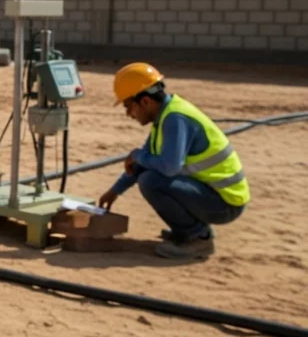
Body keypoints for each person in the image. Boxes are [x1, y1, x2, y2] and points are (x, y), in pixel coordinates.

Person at [97, 63, 250, 259]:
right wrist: (114, 191)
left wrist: (136, 155)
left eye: (128, 106)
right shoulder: (166, 115)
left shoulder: (175, 119)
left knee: (151, 181)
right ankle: (193, 231)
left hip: (225, 205)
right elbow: (144, 160)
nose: (128, 114)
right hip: (214, 195)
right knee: (149, 171)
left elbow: (169, 168)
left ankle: (197, 239)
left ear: (145, 102)